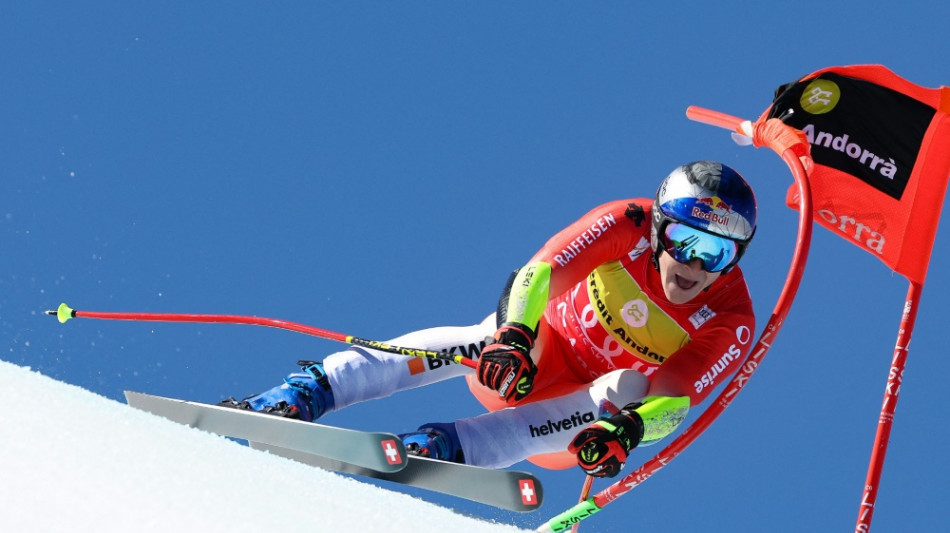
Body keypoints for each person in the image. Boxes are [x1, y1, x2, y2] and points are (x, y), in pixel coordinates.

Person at [221, 160, 757, 478]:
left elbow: (676, 398)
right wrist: (513, 337)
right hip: (517, 366)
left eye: (717, 253)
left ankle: (450, 447)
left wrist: (630, 430)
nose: (693, 266)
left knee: (632, 387)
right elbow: (539, 272)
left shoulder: (730, 316)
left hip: (568, 424)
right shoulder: (628, 222)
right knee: (489, 334)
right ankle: (315, 389)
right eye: (683, 240)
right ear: (659, 227)